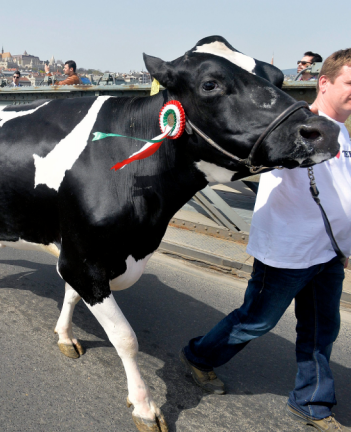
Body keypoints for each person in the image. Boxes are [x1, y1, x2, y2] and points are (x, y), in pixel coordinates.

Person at [180, 48, 351, 432]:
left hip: (328, 253)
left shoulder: (344, 135)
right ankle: (198, 356)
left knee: (323, 329)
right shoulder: (290, 126)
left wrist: (344, 247)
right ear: (324, 82)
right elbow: (243, 148)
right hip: (286, 253)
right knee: (254, 322)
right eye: (350, 83)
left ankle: (312, 402)